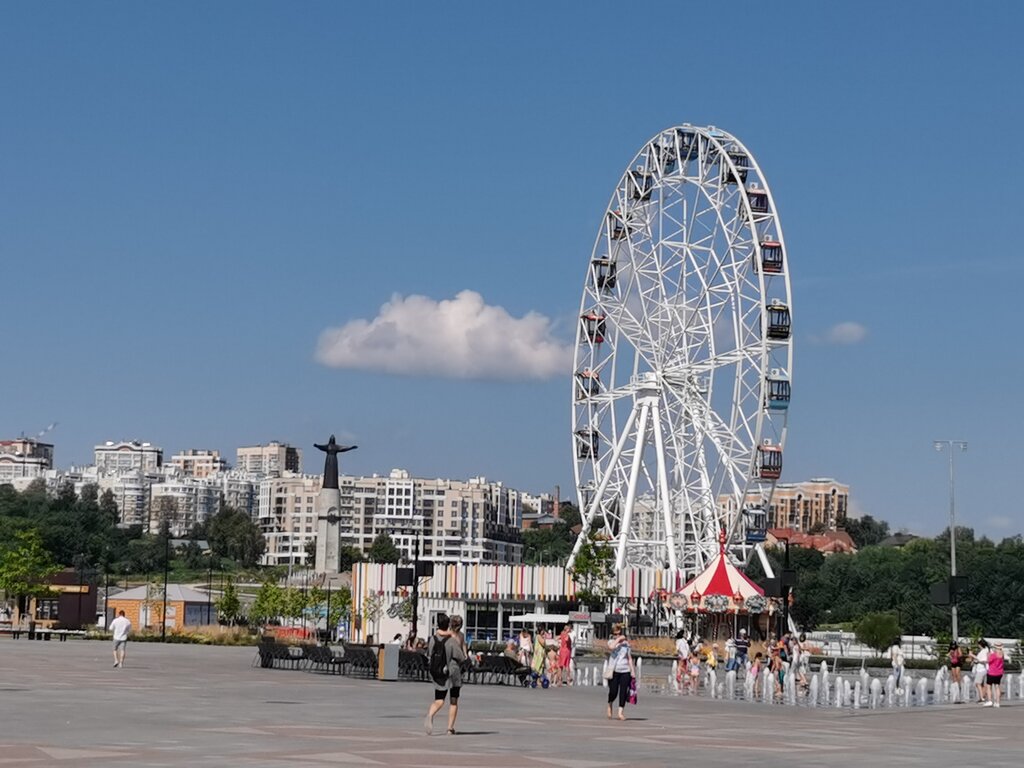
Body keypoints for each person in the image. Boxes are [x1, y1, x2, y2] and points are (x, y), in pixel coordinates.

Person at [424, 613, 467, 736]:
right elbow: (460, 657)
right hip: (452, 672)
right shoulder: (451, 640)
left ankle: (430, 714)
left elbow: (429, 653)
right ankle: (450, 728)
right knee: (453, 700)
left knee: (439, 699)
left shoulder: (432, 639)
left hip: (437, 671)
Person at [605, 623, 635, 720]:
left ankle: (620, 712)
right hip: (614, 670)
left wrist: (632, 671)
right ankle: (610, 704)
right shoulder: (611, 641)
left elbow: (629, 658)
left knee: (623, 692)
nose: (617, 636)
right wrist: (618, 640)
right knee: (613, 691)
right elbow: (611, 647)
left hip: (625, 671)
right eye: (615, 634)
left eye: (619, 634)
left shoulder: (626, 645)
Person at [970, 639, 990, 704]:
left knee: (977, 683)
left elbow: (983, 660)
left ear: (980, 645)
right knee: (981, 684)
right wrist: (975, 661)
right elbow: (980, 659)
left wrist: (972, 655)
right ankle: (982, 697)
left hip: (982, 670)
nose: (978, 646)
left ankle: (982, 698)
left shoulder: (984, 651)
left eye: (978, 644)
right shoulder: (986, 650)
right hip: (983, 669)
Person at [985, 642, 1004, 708]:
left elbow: (988, 661)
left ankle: (990, 700)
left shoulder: (993, 655)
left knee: (989, 686)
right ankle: (997, 702)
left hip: (992, 672)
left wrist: (988, 655)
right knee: (997, 686)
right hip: (999, 673)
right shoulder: (1002, 654)